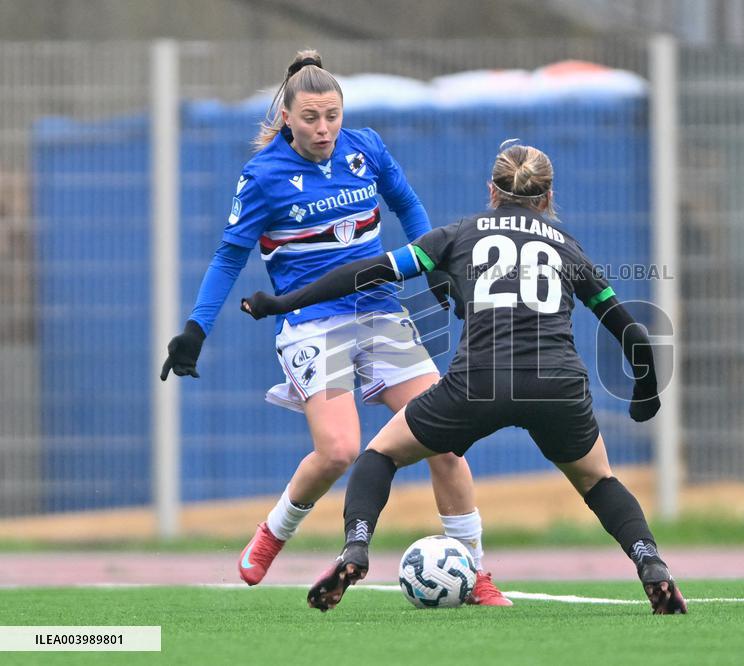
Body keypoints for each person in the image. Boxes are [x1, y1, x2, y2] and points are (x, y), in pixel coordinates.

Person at [241, 142, 688, 615]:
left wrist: (285, 302)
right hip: (556, 384)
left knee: (381, 454)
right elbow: (633, 333)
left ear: (491, 191)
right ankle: (650, 561)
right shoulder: (565, 245)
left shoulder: (460, 234)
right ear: (547, 197)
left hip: (479, 382)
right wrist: (645, 394)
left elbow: (368, 272)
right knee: (599, 482)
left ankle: (355, 547)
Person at [159, 49, 510, 605]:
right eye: (310, 119)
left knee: (445, 440)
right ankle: (275, 531)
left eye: (332, 116)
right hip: (311, 323)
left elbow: (409, 207)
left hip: (381, 312)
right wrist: (196, 327)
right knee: (340, 450)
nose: (323, 129)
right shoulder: (264, 176)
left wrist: (437, 269)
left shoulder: (365, 148)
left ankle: (475, 572)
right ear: (287, 119)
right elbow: (229, 257)